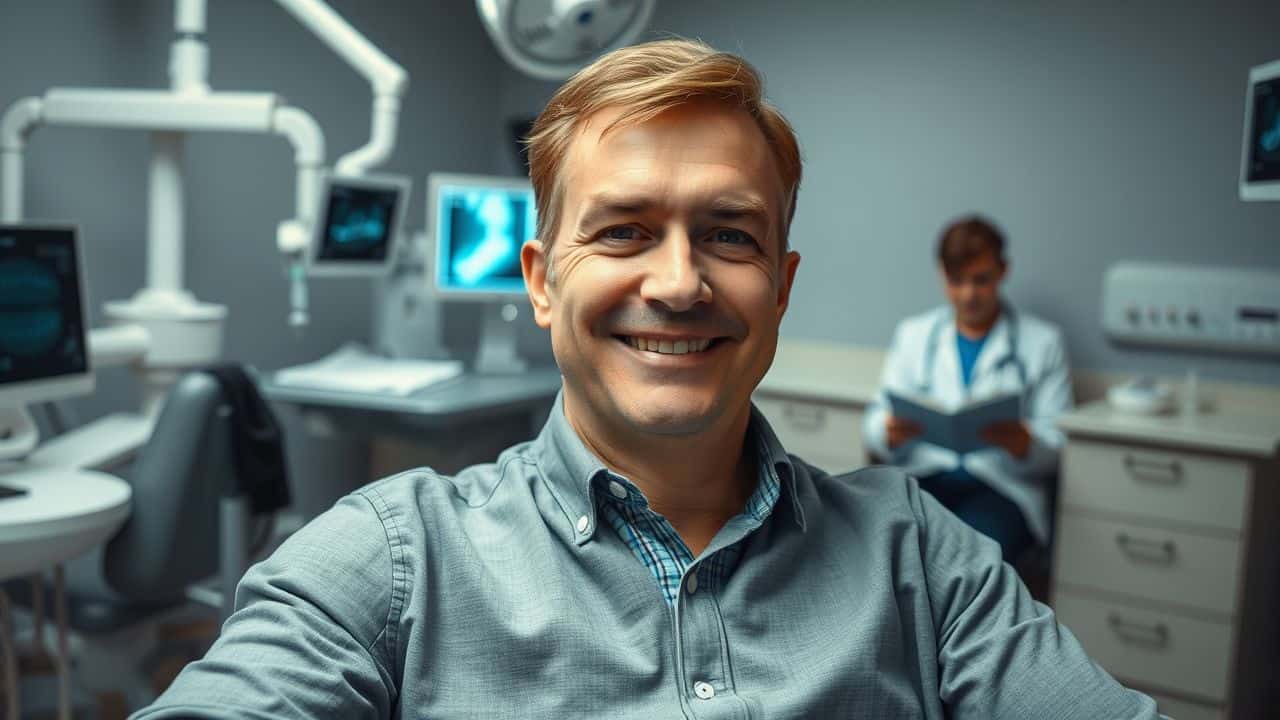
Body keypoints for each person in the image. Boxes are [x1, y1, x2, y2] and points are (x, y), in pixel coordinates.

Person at [134, 40, 1157, 719]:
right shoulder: (394, 564)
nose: (677, 283)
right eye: (623, 231)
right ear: (539, 282)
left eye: (728, 234)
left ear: (780, 285)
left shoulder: (921, 560)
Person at [862, 216, 1073, 563]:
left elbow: (1059, 444)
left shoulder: (1043, 343)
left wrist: (1025, 443)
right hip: (924, 478)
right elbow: (873, 423)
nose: (969, 294)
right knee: (885, 543)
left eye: (981, 280)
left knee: (964, 559)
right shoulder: (914, 335)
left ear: (1003, 271)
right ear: (942, 274)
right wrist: (889, 432)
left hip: (1002, 488)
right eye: (956, 281)